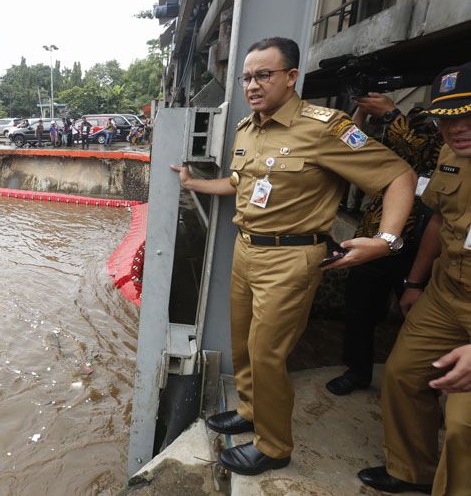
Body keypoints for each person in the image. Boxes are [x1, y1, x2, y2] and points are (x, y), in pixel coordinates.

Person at [171, 37, 416, 476]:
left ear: (290, 77)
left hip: (292, 259)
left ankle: (273, 445)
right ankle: (250, 410)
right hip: (247, 250)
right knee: (244, 343)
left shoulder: (326, 127)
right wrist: (194, 185)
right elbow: (239, 183)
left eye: (263, 74)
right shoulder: (249, 128)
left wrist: (386, 239)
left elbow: (398, 174)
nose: (252, 85)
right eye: (246, 77)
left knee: (267, 354)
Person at [358, 62, 471, 495]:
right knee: (403, 375)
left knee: (462, 424)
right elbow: (440, 222)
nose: (455, 128)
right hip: (446, 293)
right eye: (446, 119)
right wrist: (415, 284)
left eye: (467, 115)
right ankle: (412, 472)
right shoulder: (450, 153)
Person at [326, 97, 443, 396]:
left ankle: (422, 388)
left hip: (422, 249)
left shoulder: (446, 147)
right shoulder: (394, 149)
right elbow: (351, 142)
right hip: (375, 240)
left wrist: (392, 113)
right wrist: (363, 109)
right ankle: (357, 371)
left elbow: (423, 148)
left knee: (420, 320)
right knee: (359, 308)